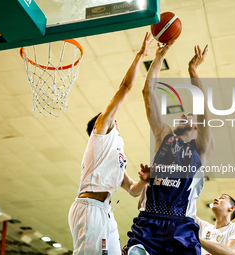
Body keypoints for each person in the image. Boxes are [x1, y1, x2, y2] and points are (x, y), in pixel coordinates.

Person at [123, 43, 215, 255]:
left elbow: (203, 109)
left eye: (189, 115)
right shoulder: (164, 136)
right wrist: (159, 56)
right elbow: (148, 93)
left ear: (196, 126)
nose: (184, 115)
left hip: (181, 223)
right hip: (149, 222)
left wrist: (193, 71)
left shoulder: (201, 149)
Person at [68, 33, 154, 255]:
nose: (116, 119)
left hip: (104, 210)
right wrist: (139, 56)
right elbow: (126, 87)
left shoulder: (116, 154)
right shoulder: (101, 132)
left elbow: (134, 191)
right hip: (89, 209)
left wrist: (144, 181)